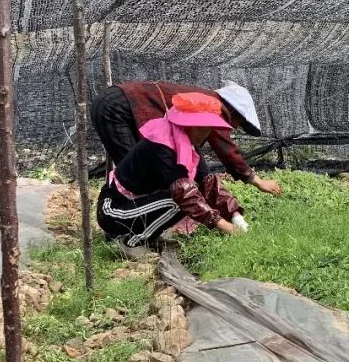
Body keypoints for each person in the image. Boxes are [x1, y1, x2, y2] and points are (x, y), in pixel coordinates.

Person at [97, 92, 248, 256]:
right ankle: (132, 242)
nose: (206, 132)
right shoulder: (163, 146)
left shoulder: (186, 145)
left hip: (140, 206)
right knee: (179, 201)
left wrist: (236, 217)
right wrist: (226, 227)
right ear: (190, 125)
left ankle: (150, 237)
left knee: (188, 195)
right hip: (114, 209)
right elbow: (184, 196)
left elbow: (208, 183)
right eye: (203, 127)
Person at [90, 79, 282, 197]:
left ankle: (135, 223)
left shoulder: (205, 99)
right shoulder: (213, 107)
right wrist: (257, 181)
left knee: (135, 169)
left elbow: (193, 155)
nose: (235, 127)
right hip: (117, 107)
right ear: (232, 110)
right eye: (239, 122)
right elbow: (227, 151)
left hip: (112, 101)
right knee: (135, 174)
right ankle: (127, 230)